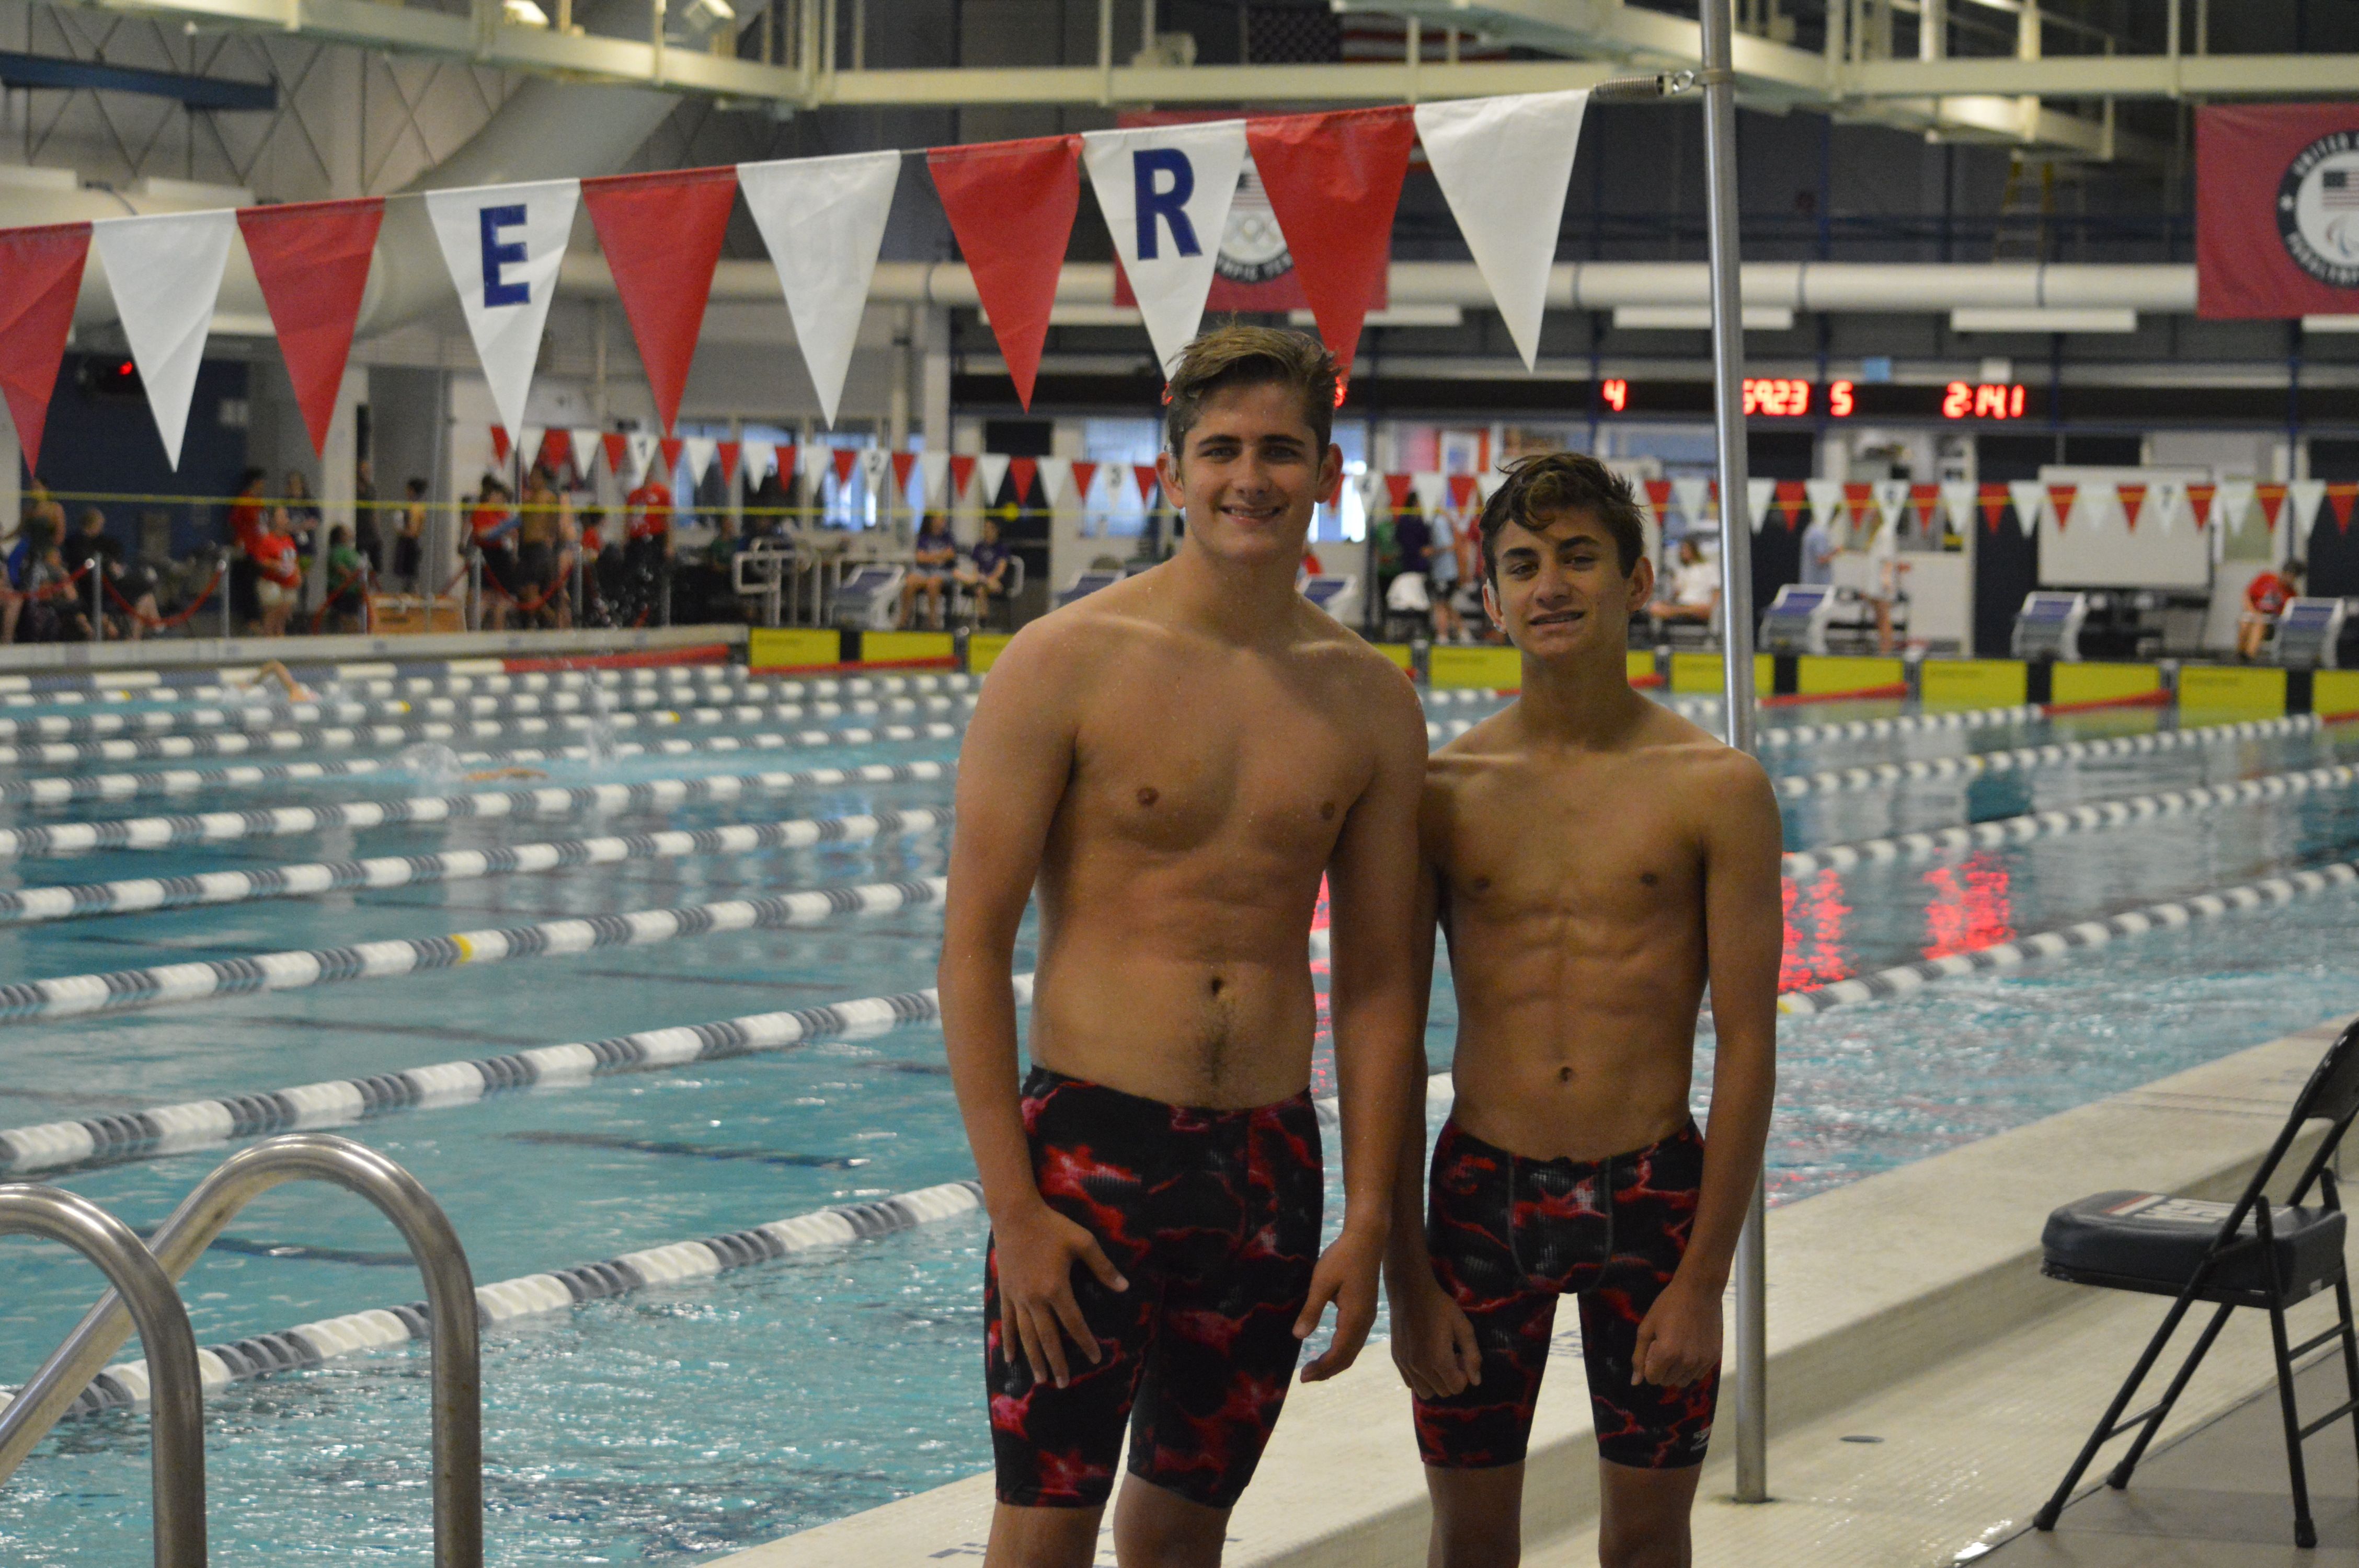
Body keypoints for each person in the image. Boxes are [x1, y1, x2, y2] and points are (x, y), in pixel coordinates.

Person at [939, 325, 1428, 1568]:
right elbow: (968, 949)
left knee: (1182, 1535)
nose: (1246, 477)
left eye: (1279, 450)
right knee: (1043, 1531)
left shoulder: (1367, 697)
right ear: (1171, 472)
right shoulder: (1062, 663)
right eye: (1219, 449)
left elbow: (1379, 983)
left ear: (1326, 472)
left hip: (1264, 1167)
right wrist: (1014, 1207)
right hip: (1085, 1160)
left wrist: (1369, 1211)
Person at [1387, 452, 1781, 1568]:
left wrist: (1705, 1279)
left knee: (1650, 1540)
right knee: (1468, 1542)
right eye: (1522, 564)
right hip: (1479, 1196)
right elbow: (1391, 1034)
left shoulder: (1718, 789)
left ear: (1638, 581)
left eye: (1577, 557)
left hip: (1652, 1198)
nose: (1549, 584)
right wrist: (1404, 1279)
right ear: (1492, 597)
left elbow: (1749, 1046)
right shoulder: (1444, 795)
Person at [63, 508, 161, 641]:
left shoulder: (97, 543)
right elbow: (90, 566)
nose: (101, 529)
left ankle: (143, 633)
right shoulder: (78, 543)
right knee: (145, 591)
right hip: (98, 590)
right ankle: (147, 632)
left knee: (147, 597)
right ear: (94, 524)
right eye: (100, 525)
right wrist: (110, 567)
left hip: (105, 586)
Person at [468, 476, 520, 630]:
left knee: (502, 601)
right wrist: (501, 530)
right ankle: (473, 635)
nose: (499, 499)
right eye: (497, 495)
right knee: (482, 599)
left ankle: (499, 636)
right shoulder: (483, 510)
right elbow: (482, 533)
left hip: (502, 556)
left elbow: (514, 536)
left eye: (502, 497)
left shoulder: (503, 513)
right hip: (486, 556)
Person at [245, 503, 301, 637]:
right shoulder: (267, 540)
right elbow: (260, 560)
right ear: (274, 520)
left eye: (285, 517)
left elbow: (294, 560)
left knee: (284, 612)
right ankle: (268, 638)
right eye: (280, 516)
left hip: (287, 582)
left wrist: (298, 575)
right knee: (273, 611)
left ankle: (280, 636)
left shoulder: (288, 540)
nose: (284, 519)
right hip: (271, 581)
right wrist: (275, 565)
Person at [1646, 535, 1721, 635]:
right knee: (1655, 608)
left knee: (1697, 609)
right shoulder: (1682, 571)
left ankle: (1676, 611)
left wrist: (1713, 610)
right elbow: (1677, 594)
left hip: (1700, 605)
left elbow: (1716, 590)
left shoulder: (1708, 568)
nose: (1684, 553)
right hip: (1682, 604)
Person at [900, 511, 958, 629]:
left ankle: (932, 621)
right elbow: (920, 558)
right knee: (910, 581)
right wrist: (939, 556)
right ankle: (904, 619)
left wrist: (930, 557)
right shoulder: (924, 537)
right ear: (932, 521)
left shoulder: (948, 537)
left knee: (933, 583)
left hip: (943, 572)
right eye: (939, 519)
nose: (942, 522)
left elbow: (951, 554)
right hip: (924, 571)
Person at [2240, 557, 2304, 662]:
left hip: (2273, 625)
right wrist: (2254, 613)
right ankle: (2240, 656)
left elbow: (2288, 616)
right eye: (2288, 575)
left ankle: (2249, 658)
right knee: (2245, 622)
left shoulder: (2292, 595)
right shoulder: (2266, 578)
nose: (2289, 579)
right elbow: (2246, 595)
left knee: (2260, 624)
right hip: (2255, 616)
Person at [955, 515, 1014, 626]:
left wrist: (987, 579)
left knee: (981, 587)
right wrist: (978, 577)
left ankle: (983, 621)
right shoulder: (979, 546)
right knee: (977, 586)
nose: (987, 531)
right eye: (985, 528)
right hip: (980, 580)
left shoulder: (1002, 548)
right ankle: (983, 621)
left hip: (994, 582)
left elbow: (1000, 571)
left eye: (990, 528)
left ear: (997, 530)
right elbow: (976, 568)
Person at [395, 478, 429, 593]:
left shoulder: (415, 508)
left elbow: (412, 531)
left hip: (410, 543)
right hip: (412, 542)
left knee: (411, 576)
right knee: (410, 576)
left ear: (412, 491)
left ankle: (414, 599)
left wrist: (399, 528)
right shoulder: (418, 507)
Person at [1797, 508, 1837, 587]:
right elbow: (1821, 559)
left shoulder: (1810, 530)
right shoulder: (1819, 533)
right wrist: (1836, 551)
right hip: (1818, 585)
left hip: (1809, 583)